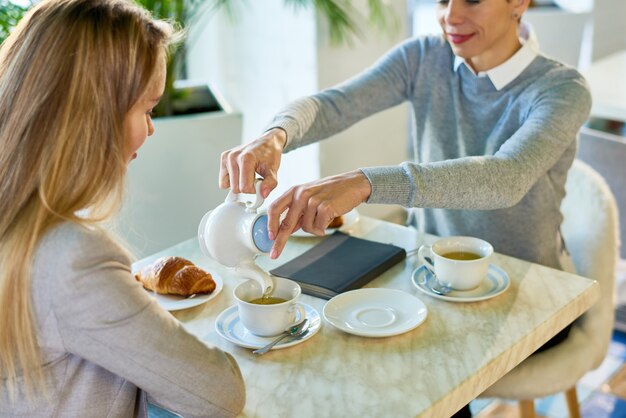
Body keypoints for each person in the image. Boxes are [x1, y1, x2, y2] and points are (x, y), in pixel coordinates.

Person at [220, 0, 589, 415]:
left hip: (531, 298)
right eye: (441, 0)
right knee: (349, 364)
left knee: (416, 385)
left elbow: (506, 178)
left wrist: (366, 183)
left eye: (470, 0)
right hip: (434, 282)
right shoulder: (424, 57)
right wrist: (276, 135)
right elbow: (334, 104)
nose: (450, 16)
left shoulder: (562, 89)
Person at [0, 1, 245, 416]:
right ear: (92, 113)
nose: (151, 128)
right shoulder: (72, 260)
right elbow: (219, 393)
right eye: (147, 110)